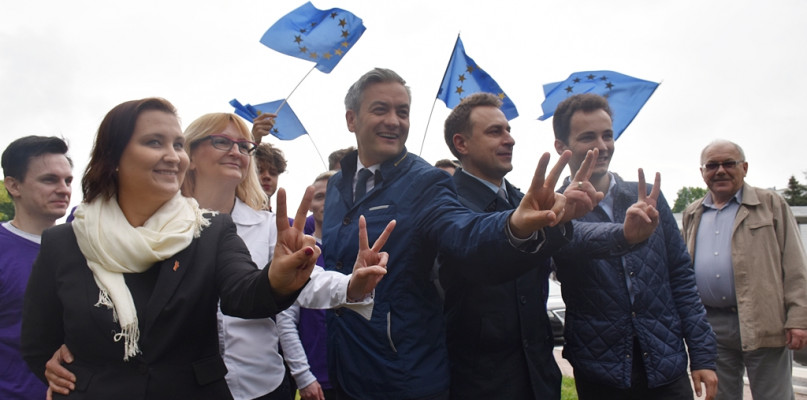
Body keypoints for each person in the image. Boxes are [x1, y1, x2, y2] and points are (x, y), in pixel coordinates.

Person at [19, 97, 382, 399]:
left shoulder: (219, 230)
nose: (236, 152)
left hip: (251, 385)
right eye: (222, 142)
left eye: (244, 146)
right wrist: (64, 366)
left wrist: (316, 282)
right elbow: (41, 340)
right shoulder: (78, 235)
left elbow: (249, 294)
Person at [322, 67, 601, 399]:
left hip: (403, 379)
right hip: (346, 369)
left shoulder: (425, 182)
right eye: (381, 109)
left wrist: (514, 224)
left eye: (403, 112)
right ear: (351, 119)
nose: (394, 121)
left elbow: (465, 232)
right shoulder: (337, 186)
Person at [439, 93, 659, 400]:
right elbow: (475, 250)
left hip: (538, 377)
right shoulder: (444, 204)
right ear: (461, 143)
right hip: (477, 383)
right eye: (495, 131)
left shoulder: (525, 200)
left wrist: (593, 227)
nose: (510, 139)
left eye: (509, 130)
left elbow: (574, 242)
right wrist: (517, 226)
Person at [550, 93, 718, 399]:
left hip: (665, 362)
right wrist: (624, 235)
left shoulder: (648, 198)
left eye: (607, 135)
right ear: (562, 147)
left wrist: (702, 354)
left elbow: (680, 276)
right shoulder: (555, 208)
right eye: (588, 137)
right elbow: (574, 242)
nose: (602, 146)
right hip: (600, 369)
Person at [682, 139, 807, 400]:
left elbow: (795, 265)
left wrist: (799, 319)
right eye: (712, 165)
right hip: (712, 326)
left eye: (729, 163)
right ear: (702, 172)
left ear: (745, 168)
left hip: (765, 321)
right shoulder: (693, 213)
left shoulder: (770, 204)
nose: (720, 171)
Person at [1, 136, 72, 399]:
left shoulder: (84, 248)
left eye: (68, 181)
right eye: (49, 180)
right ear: (14, 185)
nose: (63, 189)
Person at [278, 171, 337, 400]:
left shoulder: (362, 250)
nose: (327, 202)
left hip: (361, 374)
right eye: (320, 196)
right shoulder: (300, 254)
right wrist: (303, 375)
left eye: (334, 194)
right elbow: (286, 319)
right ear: (311, 204)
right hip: (318, 377)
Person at [254, 143, 287, 211]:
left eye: (273, 173)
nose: (267, 176)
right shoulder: (233, 211)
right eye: (259, 171)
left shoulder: (277, 217)